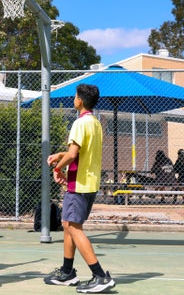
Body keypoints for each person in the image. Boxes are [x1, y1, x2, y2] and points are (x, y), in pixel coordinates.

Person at [44, 84, 116, 294]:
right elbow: (80, 152)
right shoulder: (95, 123)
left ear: (80, 100)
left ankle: (100, 276)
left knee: (74, 228)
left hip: (79, 184)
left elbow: (73, 154)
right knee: (68, 224)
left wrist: (58, 168)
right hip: (89, 183)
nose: (73, 99)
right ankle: (67, 273)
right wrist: (60, 156)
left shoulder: (79, 122)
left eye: (75, 96)